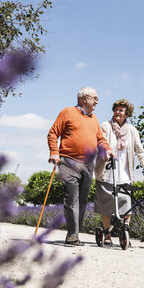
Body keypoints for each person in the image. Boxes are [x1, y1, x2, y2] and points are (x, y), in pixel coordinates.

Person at [48, 87, 114, 246]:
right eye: (95, 98)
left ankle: (76, 232)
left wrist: (108, 150)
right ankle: (72, 235)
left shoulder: (94, 118)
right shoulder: (67, 112)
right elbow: (53, 133)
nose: (97, 101)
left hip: (88, 164)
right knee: (71, 198)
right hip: (69, 161)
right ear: (84, 98)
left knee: (83, 200)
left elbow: (100, 139)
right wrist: (54, 152)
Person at [94, 99, 144, 246]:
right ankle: (107, 234)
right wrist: (106, 153)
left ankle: (125, 233)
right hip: (107, 171)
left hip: (124, 173)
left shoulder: (132, 131)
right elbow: (100, 142)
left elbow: (140, 151)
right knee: (106, 206)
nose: (118, 112)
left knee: (126, 204)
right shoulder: (106, 126)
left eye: (121, 110)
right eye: (116, 109)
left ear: (127, 113)